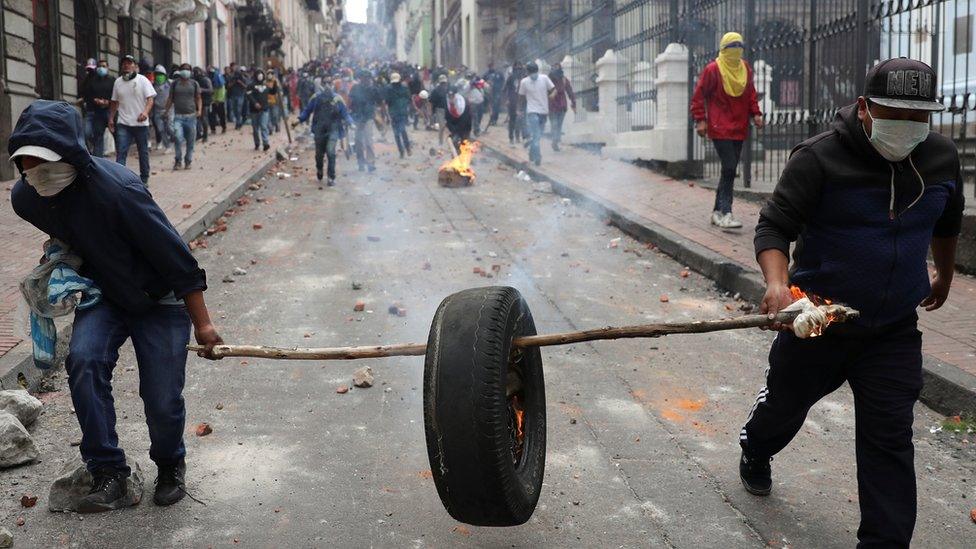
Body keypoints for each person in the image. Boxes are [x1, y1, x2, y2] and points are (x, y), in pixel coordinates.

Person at [742, 58, 964, 548]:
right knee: (783, 406)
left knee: (889, 439)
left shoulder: (942, 158)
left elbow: (948, 222)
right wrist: (777, 284)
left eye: (918, 118)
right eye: (893, 114)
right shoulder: (819, 157)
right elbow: (774, 226)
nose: (906, 128)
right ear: (864, 108)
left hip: (892, 331)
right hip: (817, 319)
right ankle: (756, 448)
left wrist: (944, 275)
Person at [8, 99, 224, 513]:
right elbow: (67, 226)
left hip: (159, 298)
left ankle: (169, 465)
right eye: (28, 164)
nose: (38, 173)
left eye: (48, 162)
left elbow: (178, 261)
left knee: (161, 395)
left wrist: (204, 326)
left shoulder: (118, 190)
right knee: (84, 362)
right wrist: (65, 256)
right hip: (105, 293)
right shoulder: (28, 197)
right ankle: (108, 471)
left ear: (74, 154)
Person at [690, 31, 764, 230]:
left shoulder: (745, 69)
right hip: (719, 127)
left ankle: (716, 212)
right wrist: (700, 120)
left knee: (727, 170)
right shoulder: (713, 70)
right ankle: (726, 212)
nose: (737, 50)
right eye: (732, 46)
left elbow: (750, 94)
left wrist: (756, 114)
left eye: (740, 46)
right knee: (730, 168)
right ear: (723, 48)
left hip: (739, 127)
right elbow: (698, 96)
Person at [109, 55, 156, 185]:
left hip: (140, 123)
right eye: (124, 63)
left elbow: (150, 99)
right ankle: (120, 179)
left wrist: (145, 112)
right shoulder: (118, 82)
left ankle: (144, 178)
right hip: (123, 123)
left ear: (134, 66)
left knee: (143, 152)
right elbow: (114, 102)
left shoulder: (143, 80)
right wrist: (111, 118)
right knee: (121, 152)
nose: (126, 65)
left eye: (129, 63)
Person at [296, 85, 355, 186]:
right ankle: (319, 169)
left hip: (333, 129)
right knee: (319, 154)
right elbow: (307, 110)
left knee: (331, 152)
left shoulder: (337, 99)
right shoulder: (316, 98)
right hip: (319, 129)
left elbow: (345, 113)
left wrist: (351, 123)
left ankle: (331, 177)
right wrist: (299, 119)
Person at [164, 64, 202, 170]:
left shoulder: (194, 84)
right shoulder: (175, 84)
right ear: (180, 71)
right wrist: (166, 111)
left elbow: (198, 98)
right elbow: (170, 98)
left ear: (190, 71)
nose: (185, 71)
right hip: (178, 117)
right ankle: (178, 160)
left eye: (187, 69)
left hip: (191, 116)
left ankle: (188, 160)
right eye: (183, 69)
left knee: (190, 140)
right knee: (177, 137)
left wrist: (199, 110)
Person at [518, 62, 555, 167]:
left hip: (543, 111)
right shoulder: (524, 82)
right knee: (537, 134)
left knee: (538, 136)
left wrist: (552, 95)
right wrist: (519, 110)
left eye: (534, 72)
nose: (533, 74)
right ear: (528, 73)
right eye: (531, 72)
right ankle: (538, 157)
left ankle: (531, 152)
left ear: (537, 71)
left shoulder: (544, 78)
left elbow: (553, 89)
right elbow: (521, 96)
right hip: (532, 111)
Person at [79, 59, 113, 157]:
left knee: (118, 135)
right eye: (100, 66)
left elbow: (116, 95)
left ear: (107, 67)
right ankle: (98, 158)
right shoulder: (92, 81)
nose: (102, 68)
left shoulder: (112, 80)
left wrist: (108, 102)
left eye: (104, 66)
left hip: (110, 111)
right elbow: (87, 94)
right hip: (96, 112)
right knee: (94, 135)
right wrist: (95, 100)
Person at [349, 70, 380, 171]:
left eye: (368, 78)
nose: (366, 80)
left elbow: (379, 102)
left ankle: (370, 163)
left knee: (368, 141)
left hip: (368, 118)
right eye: (364, 78)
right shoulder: (355, 88)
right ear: (361, 78)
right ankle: (360, 162)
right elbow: (350, 102)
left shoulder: (373, 89)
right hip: (357, 118)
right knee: (358, 142)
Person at [547, 63, 576, 152]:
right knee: (554, 124)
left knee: (559, 125)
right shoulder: (548, 80)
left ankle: (556, 141)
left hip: (562, 106)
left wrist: (573, 103)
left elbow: (570, 92)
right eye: (554, 68)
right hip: (552, 106)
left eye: (557, 68)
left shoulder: (564, 80)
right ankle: (554, 141)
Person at [384, 72, 412, 158]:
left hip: (396, 113)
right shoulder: (403, 87)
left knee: (399, 132)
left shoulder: (389, 88)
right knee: (400, 132)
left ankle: (404, 150)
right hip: (398, 113)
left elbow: (387, 101)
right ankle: (405, 149)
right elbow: (409, 99)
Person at [246, 70, 271, 151]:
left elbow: (272, 92)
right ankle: (257, 143)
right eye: (258, 74)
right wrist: (255, 103)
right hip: (254, 110)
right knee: (255, 128)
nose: (260, 76)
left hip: (264, 109)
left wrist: (275, 85)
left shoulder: (266, 85)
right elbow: (249, 95)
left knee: (264, 126)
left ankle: (266, 143)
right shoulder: (251, 85)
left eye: (261, 74)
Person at [445, 86, 472, 153]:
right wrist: (452, 128)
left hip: (465, 123)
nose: (450, 97)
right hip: (454, 124)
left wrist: (457, 130)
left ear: (456, 95)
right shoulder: (447, 102)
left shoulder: (463, 104)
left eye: (452, 95)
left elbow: (465, 120)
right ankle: (456, 154)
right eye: (449, 95)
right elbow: (447, 117)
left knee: (464, 140)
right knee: (454, 140)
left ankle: (464, 154)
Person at [504, 62, 526, 144]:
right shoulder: (510, 78)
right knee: (512, 120)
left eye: (520, 68)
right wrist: (507, 99)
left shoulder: (524, 78)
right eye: (517, 68)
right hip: (512, 101)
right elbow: (505, 89)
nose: (518, 70)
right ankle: (511, 137)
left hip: (521, 102)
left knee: (520, 120)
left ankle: (518, 136)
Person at [192, 67, 213, 142]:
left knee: (204, 118)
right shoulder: (194, 80)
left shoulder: (205, 79)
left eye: (196, 72)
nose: (195, 74)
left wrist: (201, 90)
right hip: (195, 101)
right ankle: (198, 134)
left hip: (205, 102)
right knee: (196, 119)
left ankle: (205, 135)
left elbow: (210, 90)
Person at [429, 74, 450, 145]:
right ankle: (440, 142)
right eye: (442, 83)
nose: (443, 84)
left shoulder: (448, 89)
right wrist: (431, 111)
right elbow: (431, 102)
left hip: (449, 110)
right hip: (440, 110)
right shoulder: (435, 91)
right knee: (442, 126)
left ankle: (451, 142)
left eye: (444, 83)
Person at [227, 64, 248, 130]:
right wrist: (234, 82)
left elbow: (246, 87)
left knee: (239, 109)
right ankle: (238, 121)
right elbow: (228, 86)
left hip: (241, 95)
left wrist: (240, 82)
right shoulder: (232, 78)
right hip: (233, 95)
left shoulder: (243, 78)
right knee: (235, 110)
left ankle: (238, 123)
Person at [484, 62, 506, 127]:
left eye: (492, 66)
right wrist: (487, 84)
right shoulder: (486, 74)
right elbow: (482, 81)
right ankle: (491, 119)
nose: (491, 67)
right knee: (491, 107)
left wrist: (501, 88)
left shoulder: (499, 73)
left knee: (496, 106)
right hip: (489, 93)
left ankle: (495, 120)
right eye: (490, 66)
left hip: (497, 92)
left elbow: (503, 80)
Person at [209, 66, 227, 134]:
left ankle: (224, 127)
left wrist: (218, 100)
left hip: (219, 101)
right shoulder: (210, 80)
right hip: (212, 101)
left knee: (221, 115)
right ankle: (213, 129)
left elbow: (222, 92)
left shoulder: (220, 81)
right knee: (211, 116)